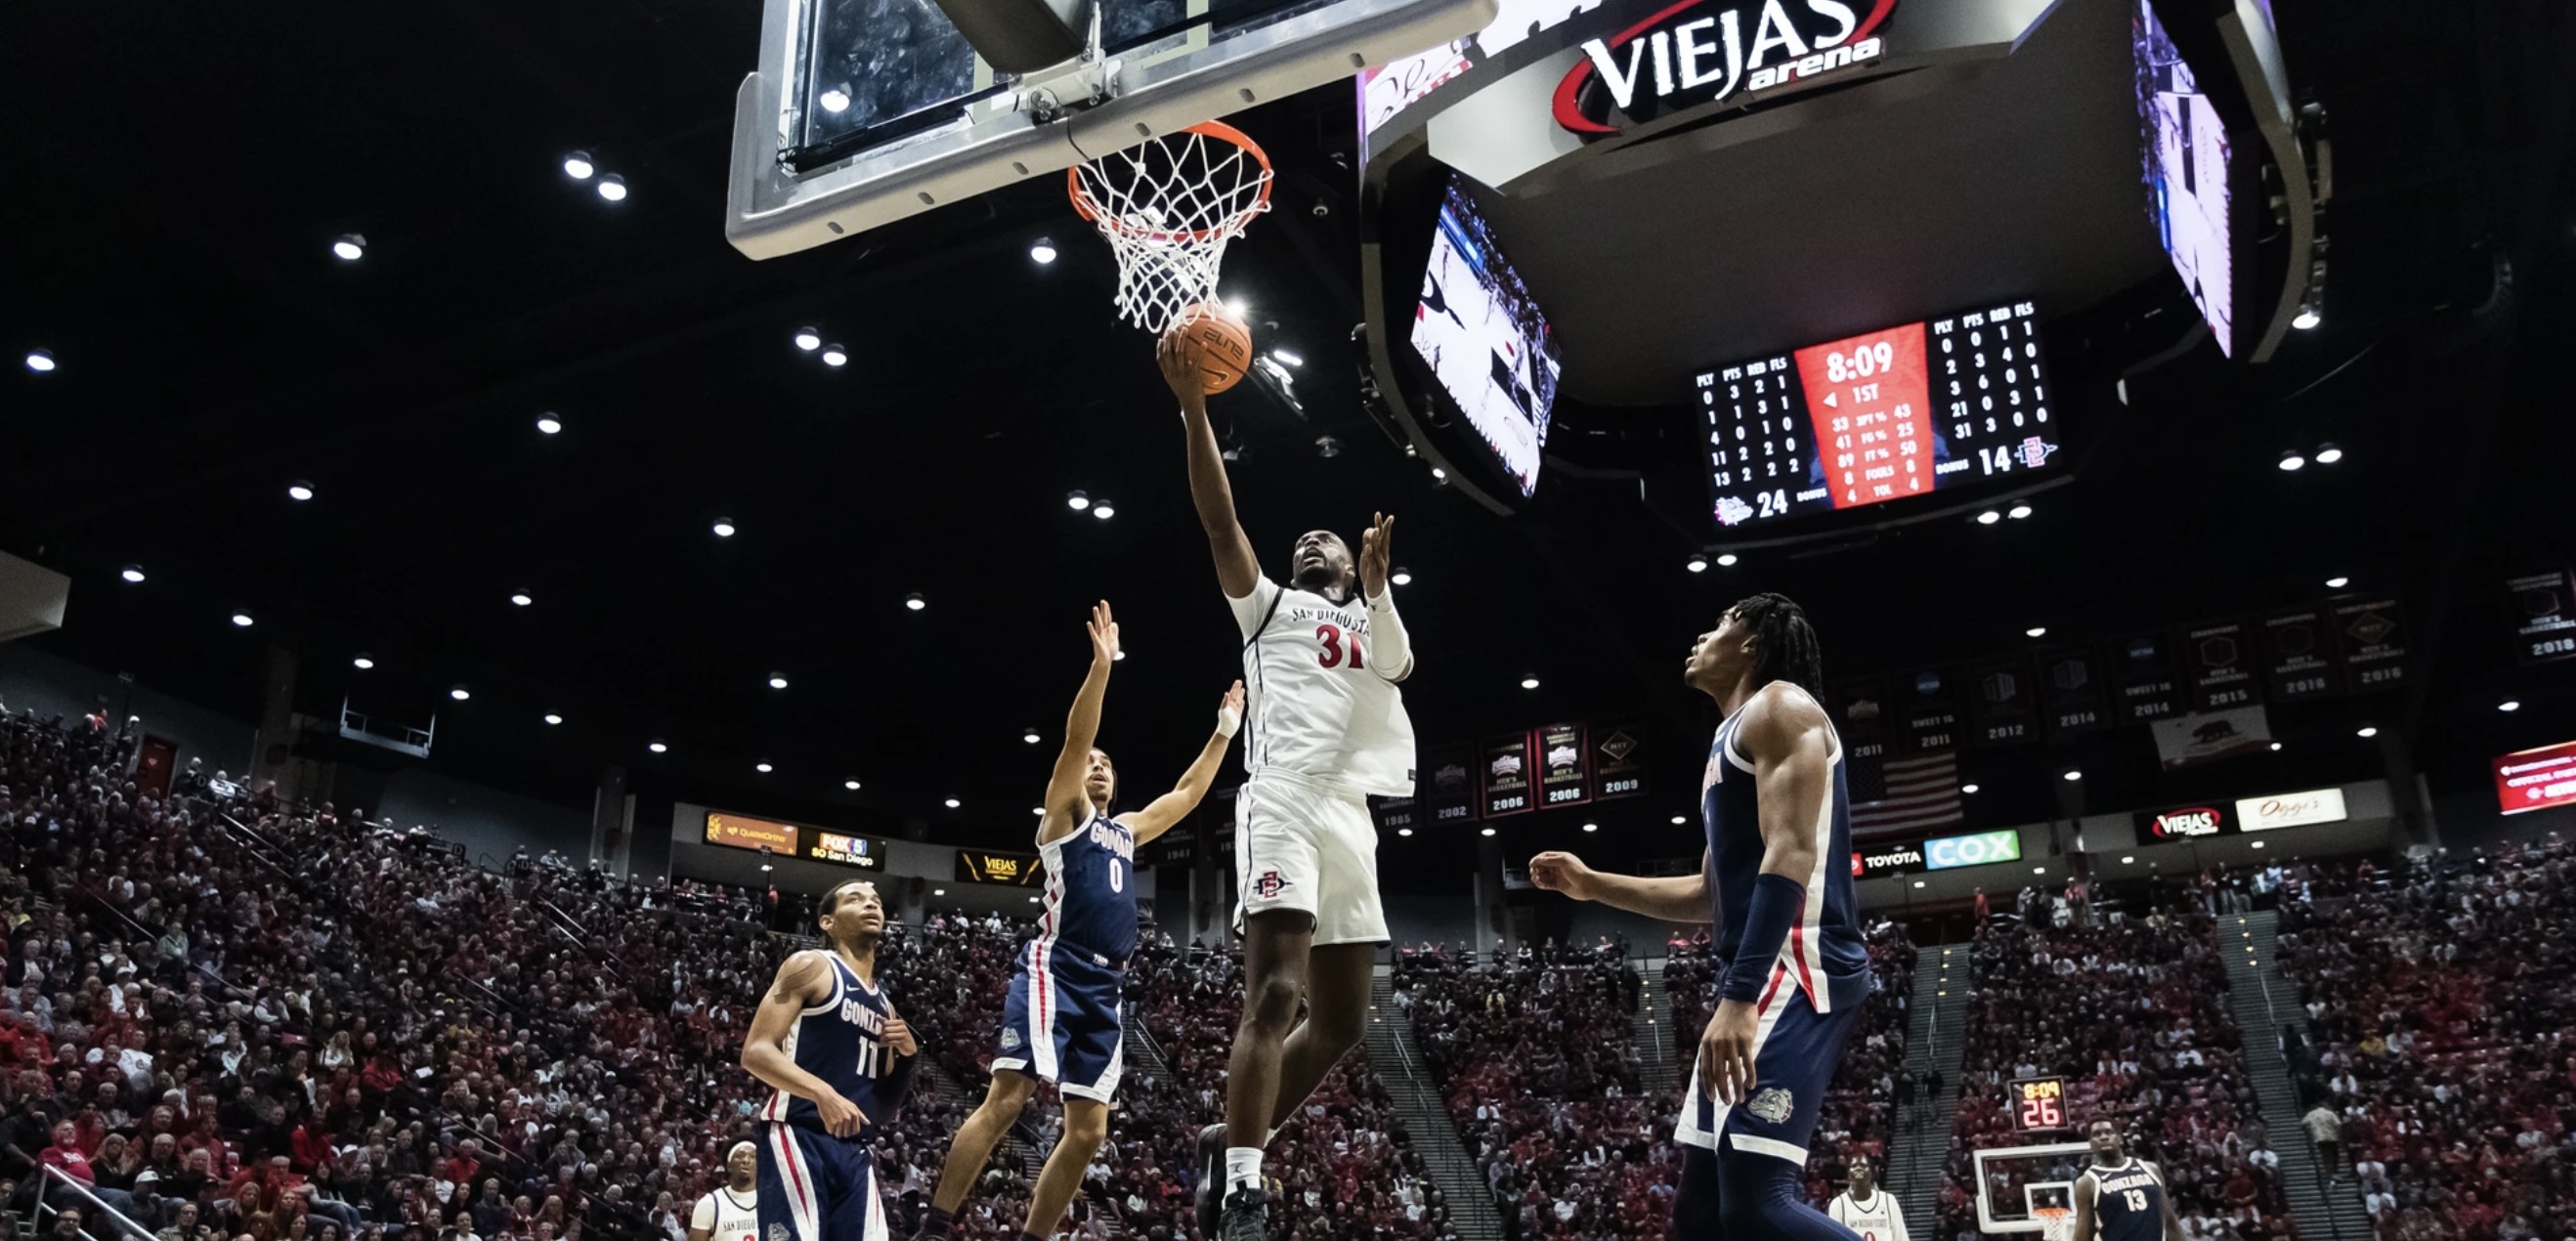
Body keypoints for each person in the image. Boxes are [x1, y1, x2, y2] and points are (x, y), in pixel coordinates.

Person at [1158, 327, 1419, 1241]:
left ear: (1352, 567)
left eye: (1329, 540)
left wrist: (1381, 592)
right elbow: (1219, 519)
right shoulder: (1267, 605)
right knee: (1275, 995)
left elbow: (1400, 664)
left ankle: (1225, 1138)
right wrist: (1195, 407)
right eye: (1303, 537)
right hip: (1281, 797)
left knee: (1344, 1022)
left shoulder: (1369, 619)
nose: (1312, 538)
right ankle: (1242, 1187)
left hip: (1351, 817)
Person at [1529, 593, 1869, 1241]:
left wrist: (1739, 997)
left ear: (1752, 640)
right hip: (1755, 970)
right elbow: (1709, 895)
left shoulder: (1780, 707)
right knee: (1700, 1214)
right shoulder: (1729, 738)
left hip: (1796, 967)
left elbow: (1791, 852)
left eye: (1719, 623)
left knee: (1758, 1203)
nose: (1701, 634)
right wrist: (1591, 883)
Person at [916, 602, 1242, 1241]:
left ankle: (1034, 1236)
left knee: (1090, 1130)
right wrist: (1100, 671)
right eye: (1091, 761)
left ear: (1117, 784)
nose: (1096, 765)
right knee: (1009, 1097)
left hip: (1106, 989)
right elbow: (1073, 741)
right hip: (1055, 968)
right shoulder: (1065, 820)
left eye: (1106, 763)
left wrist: (1224, 731)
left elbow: (1187, 795)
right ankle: (934, 1225)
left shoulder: (1126, 829)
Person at [739, 879, 920, 1241]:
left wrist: (907, 1059)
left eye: (877, 902)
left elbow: (881, 1112)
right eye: (856, 900)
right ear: (827, 922)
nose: (871, 906)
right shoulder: (811, 966)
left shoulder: (885, 1006)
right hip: (798, 1132)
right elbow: (755, 1052)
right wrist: (823, 1093)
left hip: (856, 1151)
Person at [2069, 1120, 2184, 1241]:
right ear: (2091, 1144)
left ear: (2120, 1138)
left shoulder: (2151, 1169)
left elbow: (2170, 1220)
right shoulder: (2087, 1183)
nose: (2104, 1137)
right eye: (2097, 1134)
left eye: (2109, 1132)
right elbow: (2082, 1236)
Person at [687, 1143, 758, 1241]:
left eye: (753, 1157)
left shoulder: (771, 1201)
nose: (746, 1160)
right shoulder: (709, 1204)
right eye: (739, 1156)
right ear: (729, 1166)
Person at [1827, 1156, 1907, 1241]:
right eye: (1854, 1166)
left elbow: (1901, 1237)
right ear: (1848, 1174)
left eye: (1863, 1165)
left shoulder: (1888, 1200)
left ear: (1872, 1173)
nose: (1858, 1168)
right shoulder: (1838, 1205)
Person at [2300, 1102, 2341, 1179]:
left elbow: (2303, 1123)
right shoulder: (2329, 1113)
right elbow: (2338, 1124)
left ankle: (2329, 1172)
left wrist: (2311, 1130)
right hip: (2332, 1137)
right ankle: (2334, 1172)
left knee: (2326, 1155)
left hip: (2319, 1138)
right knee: (2334, 1155)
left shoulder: (2311, 1114)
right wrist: (2338, 1134)